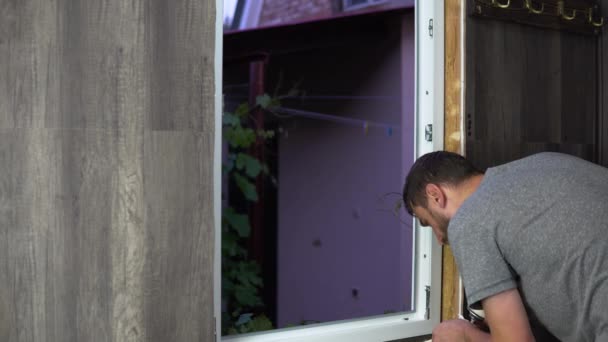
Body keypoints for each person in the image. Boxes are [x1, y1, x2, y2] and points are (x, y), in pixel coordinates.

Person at [402, 151, 608, 342]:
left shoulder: (468, 221)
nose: (440, 240)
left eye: (428, 223)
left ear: (435, 195)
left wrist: (464, 335)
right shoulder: (545, 162)